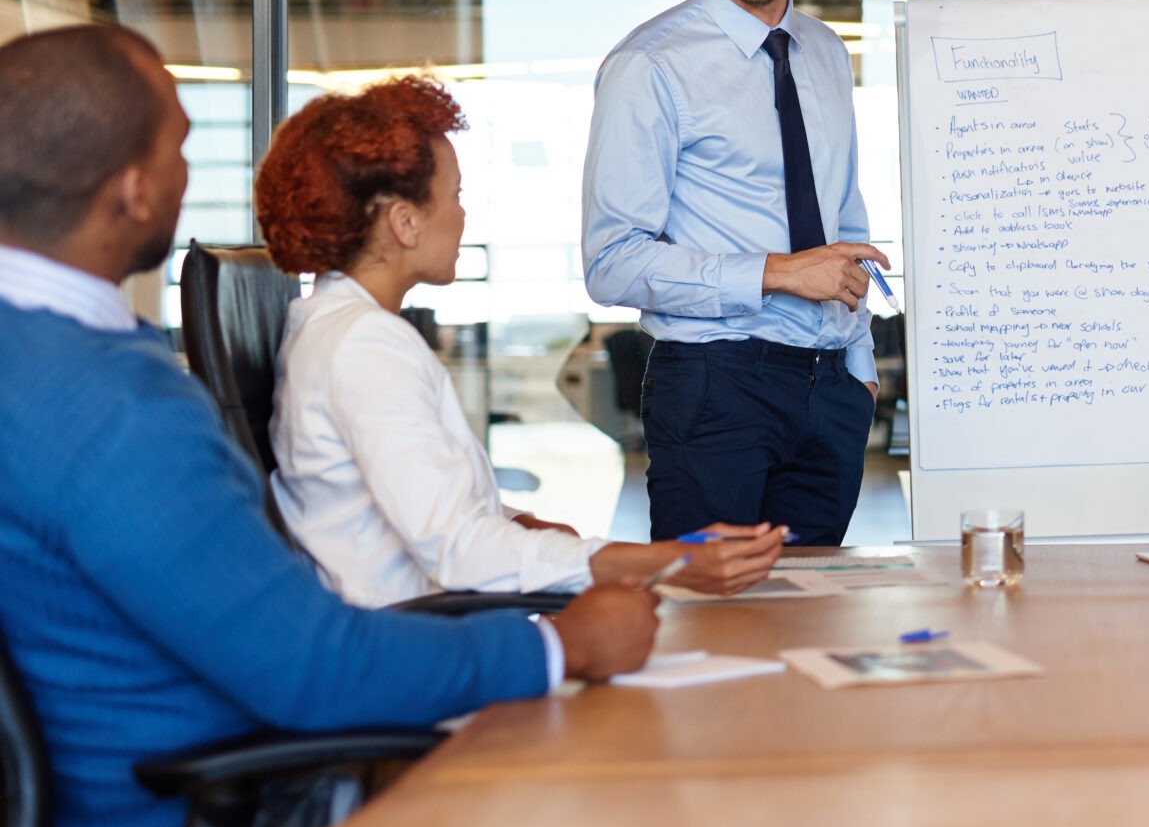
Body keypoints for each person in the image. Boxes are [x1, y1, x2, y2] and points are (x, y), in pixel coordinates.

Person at [0, 25, 658, 827]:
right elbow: (314, 669)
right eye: (180, 148)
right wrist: (565, 648)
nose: (189, 175)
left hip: (164, 799)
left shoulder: (38, 364)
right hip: (208, 826)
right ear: (131, 191)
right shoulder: (113, 407)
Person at [255, 76, 785, 608]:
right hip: (416, 640)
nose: (463, 215)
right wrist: (675, 561)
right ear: (405, 222)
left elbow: (420, 501)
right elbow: (458, 549)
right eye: (455, 196)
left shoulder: (331, 326)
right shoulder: (364, 347)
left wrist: (521, 522)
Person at [583, 0, 885, 546]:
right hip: (716, 388)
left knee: (812, 622)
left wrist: (860, 370)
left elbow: (844, 215)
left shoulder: (823, 52)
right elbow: (611, 262)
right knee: (713, 628)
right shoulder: (650, 66)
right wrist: (780, 274)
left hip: (831, 391)